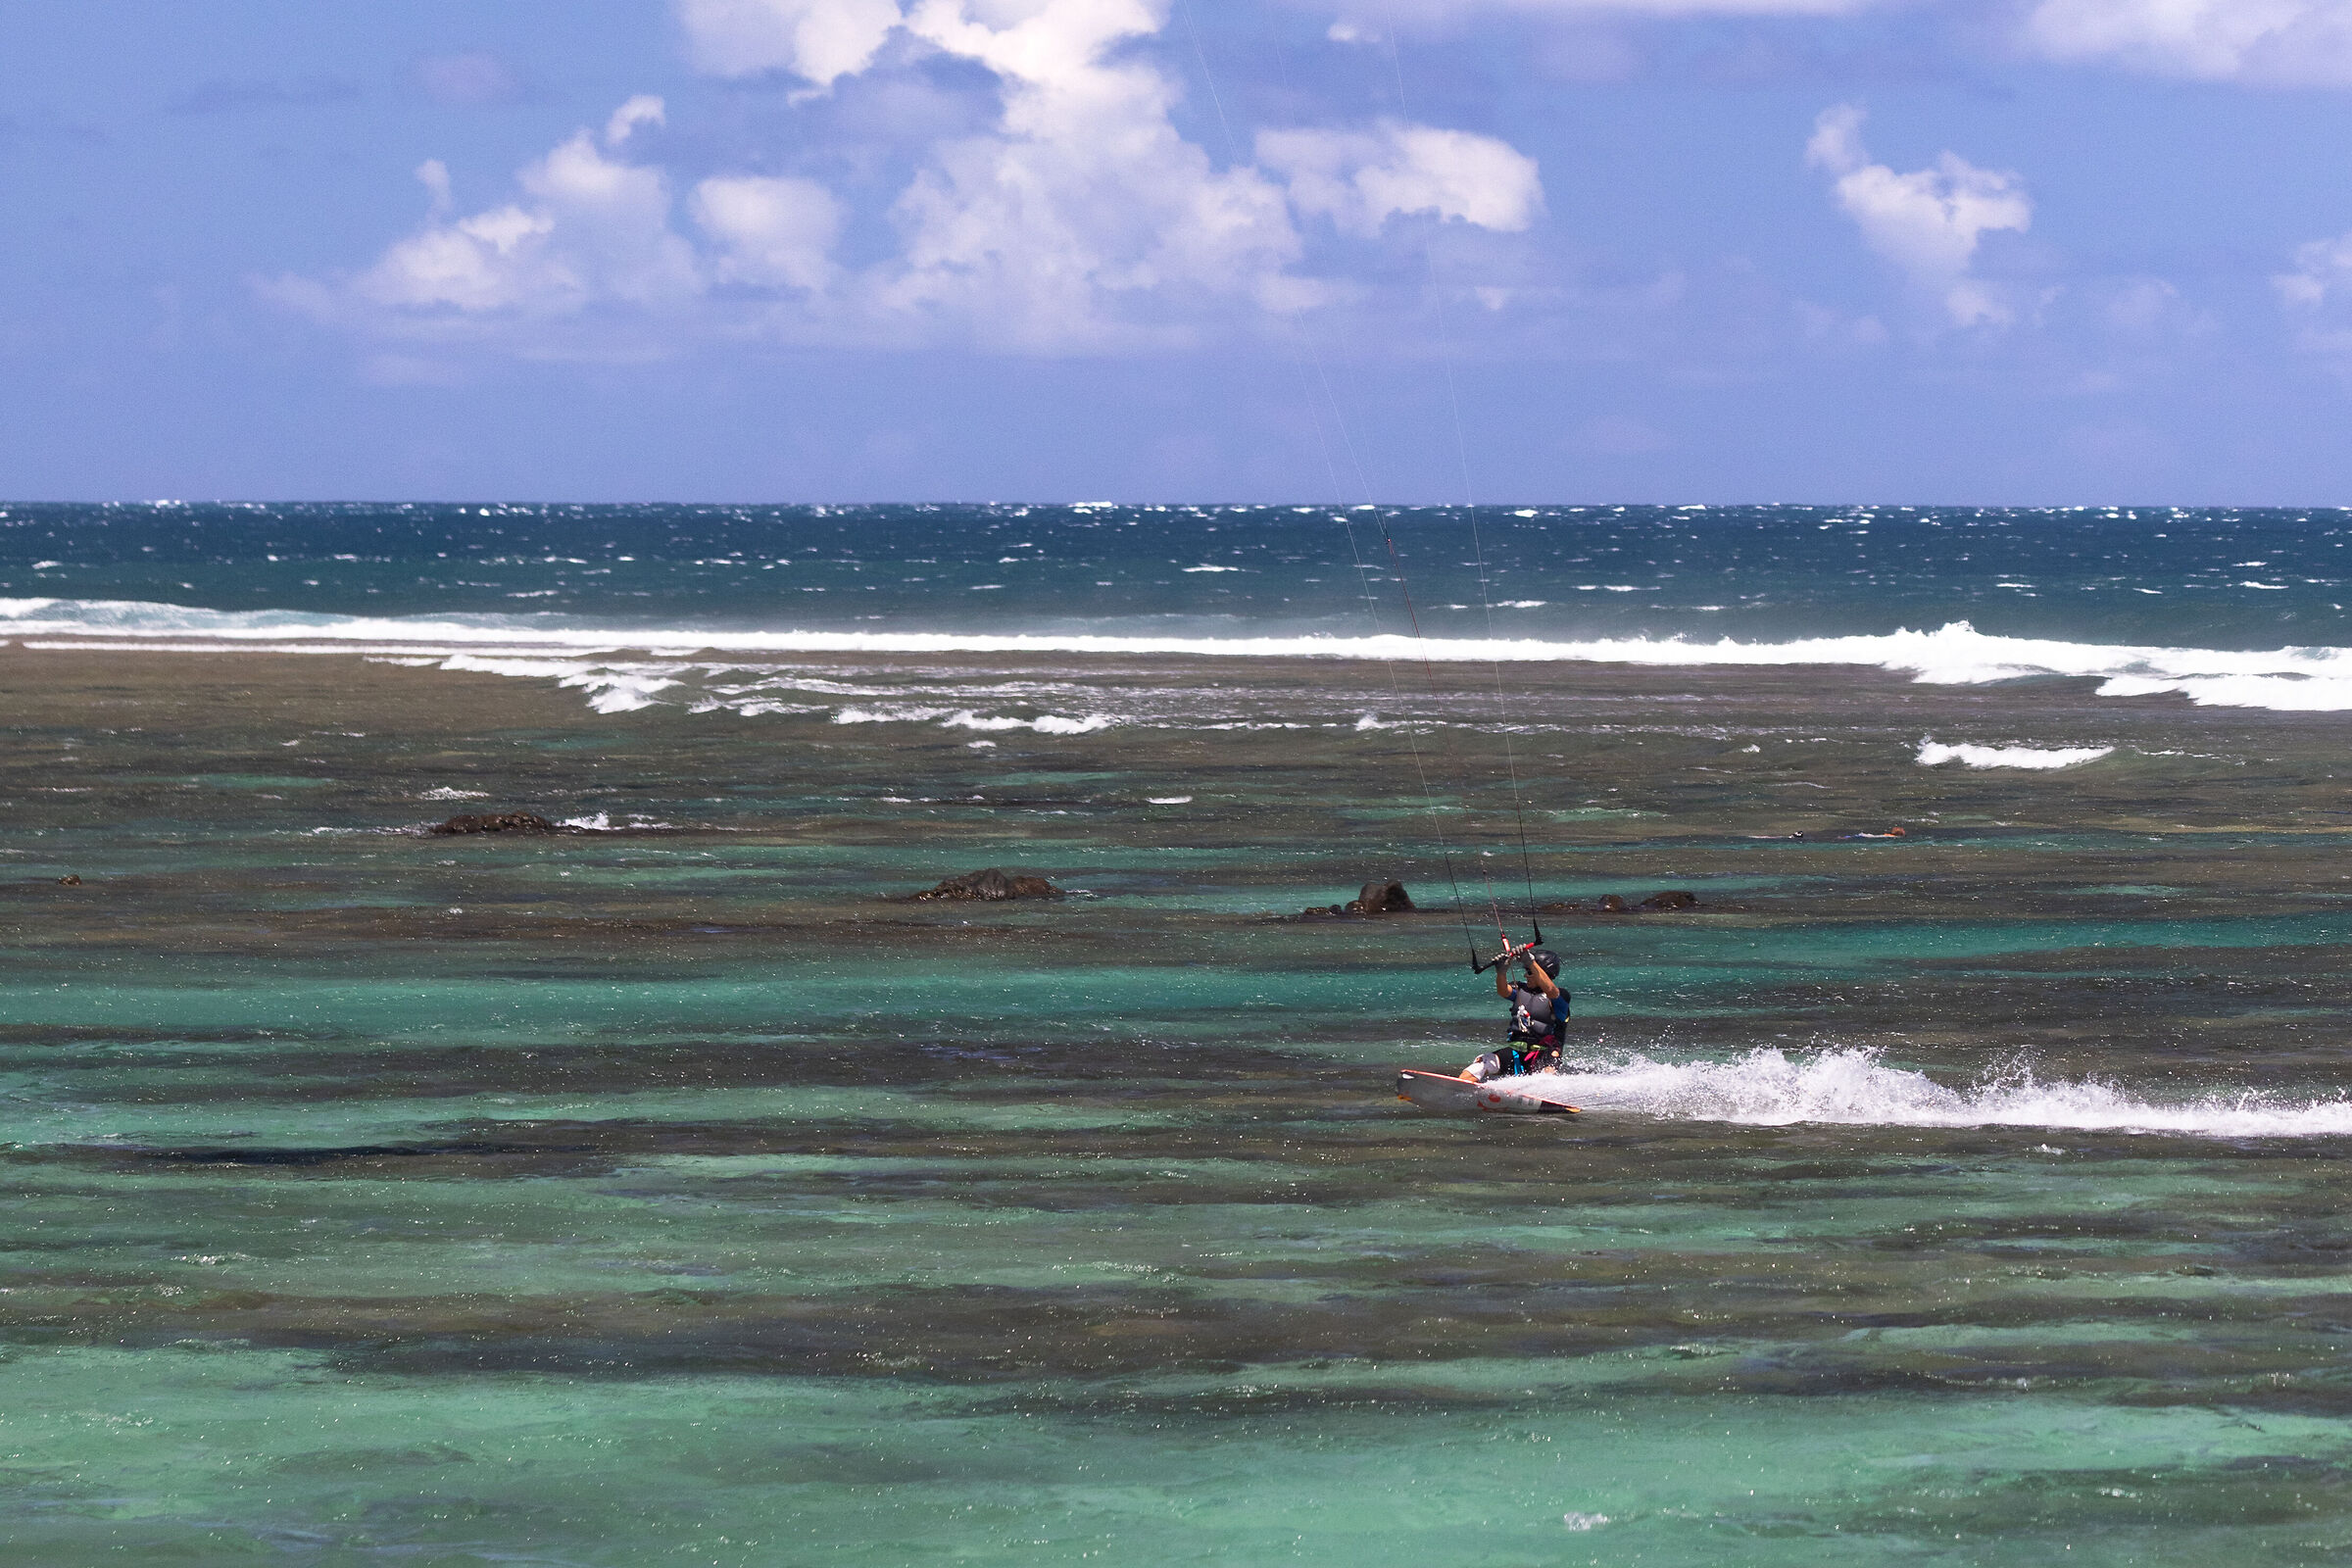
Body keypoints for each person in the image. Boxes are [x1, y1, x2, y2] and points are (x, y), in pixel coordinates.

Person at [1462, 948, 1569, 1081]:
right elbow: (1503, 991)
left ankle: (1547, 1098)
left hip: (1546, 1054)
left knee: (1548, 1073)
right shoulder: (1520, 989)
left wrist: (1530, 962)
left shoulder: (1561, 996)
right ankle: (1459, 1090)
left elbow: (1551, 991)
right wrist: (1501, 972)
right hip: (1516, 1053)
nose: (1525, 975)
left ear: (1544, 973)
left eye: (1529, 972)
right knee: (1479, 1065)